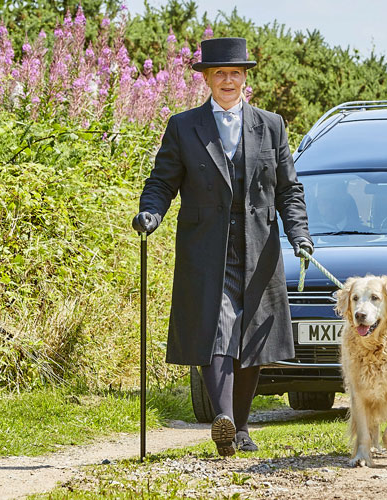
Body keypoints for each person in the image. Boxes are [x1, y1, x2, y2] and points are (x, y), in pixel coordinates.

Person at [132, 37, 313, 457]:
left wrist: (300, 234)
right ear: (207, 79)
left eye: (235, 73)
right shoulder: (183, 125)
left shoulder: (271, 125)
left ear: (245, 78)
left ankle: (242, 426)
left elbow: (289, 190)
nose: (227, 80)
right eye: (219, 74)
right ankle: (224, 420)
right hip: (204, 248)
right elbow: (162, 182)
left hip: (259, 246)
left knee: (252, 335)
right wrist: (150, 213)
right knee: (215, 326)